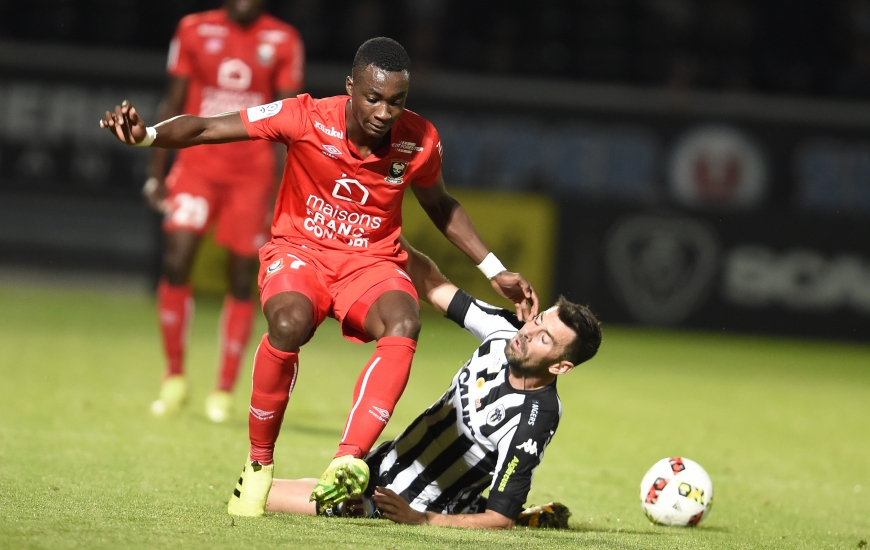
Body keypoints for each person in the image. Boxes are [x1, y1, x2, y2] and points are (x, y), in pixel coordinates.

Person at [99, 37, 539, 516]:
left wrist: (493, 269)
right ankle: (258, 463)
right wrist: (145, 137)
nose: (384, 111)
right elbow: (207, 126)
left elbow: (440, 205)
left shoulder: (420, 139)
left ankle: (347, 462)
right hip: (300, 252)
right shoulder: (306, 116)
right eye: (373, 97)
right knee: (288, 325)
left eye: (396, 101)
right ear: (350, 86)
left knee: (404, 320)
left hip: (371, 261)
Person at [263, 239, 602, 529]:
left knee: (257, 494)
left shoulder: (533, 418)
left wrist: (422, 519)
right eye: (537, 321)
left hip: (400, 505)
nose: (527, 333)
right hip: (376, 467)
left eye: (544, 338)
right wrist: (383, 231)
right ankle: (522, 516)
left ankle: (503, 513)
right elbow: (432, 283)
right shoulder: (504, 330)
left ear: (561, 365)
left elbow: (500, 518)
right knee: (260, 487)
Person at [144, 0, 305, 423]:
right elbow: (174, 99)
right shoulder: (193, 28)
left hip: (251, 173)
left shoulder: (283, 38)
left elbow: (292, 121)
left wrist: (287, 187)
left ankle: (224, 388)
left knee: (240, 276)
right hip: (196, 166)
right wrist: (157, 171)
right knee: (177, 259)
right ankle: (174, 375)